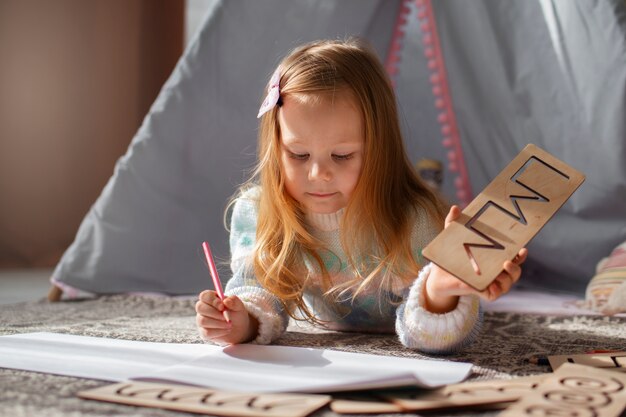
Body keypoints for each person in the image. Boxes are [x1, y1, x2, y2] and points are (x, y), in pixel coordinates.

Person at [195, 38, 527, 353]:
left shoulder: (416, 221)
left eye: (342, 156)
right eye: (297, 155)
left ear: (380, 151)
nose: (318, 174)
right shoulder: (260, 210)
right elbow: (260, 291)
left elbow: (438, 339)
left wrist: (438, 290)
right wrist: (241, 322)